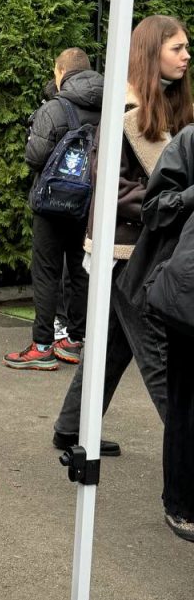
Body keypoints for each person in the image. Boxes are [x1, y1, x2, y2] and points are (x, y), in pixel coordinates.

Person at [52, 14, 191, 456]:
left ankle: (70, 428)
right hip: (127, 252)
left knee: (112, 347)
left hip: (147, 248)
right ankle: (188, 452)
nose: (186, 56)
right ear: (151, 53)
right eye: (177, 48)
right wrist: (172, 200)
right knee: (161, 359)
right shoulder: (122, 112)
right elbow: (111, 190)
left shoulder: (170, 105)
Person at [117, 124, 194, 539]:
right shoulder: (191, 141)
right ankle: (181, 501)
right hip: (187, 294)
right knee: (185, 401)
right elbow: (154, 207)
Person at [5, 49, 102, 370]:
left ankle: (43, 346)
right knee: (79, 268)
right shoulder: (110, 106)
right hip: (88, 203)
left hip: (51, 203)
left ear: (61, 72)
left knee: (46, 271)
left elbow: (34, 156)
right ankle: (74, 341)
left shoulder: (55, 108)